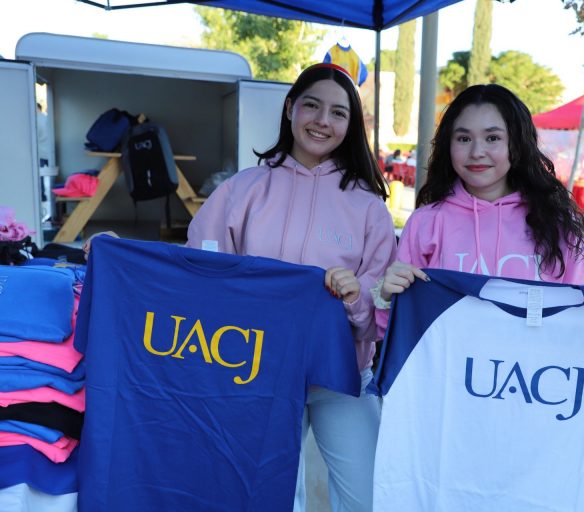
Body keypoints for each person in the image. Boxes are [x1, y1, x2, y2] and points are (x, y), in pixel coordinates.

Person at [85, 64, 397, 512]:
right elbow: (195, 274)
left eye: (337, 113)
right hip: (254, 377)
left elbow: (378, 318)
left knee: (370, 497)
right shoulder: (243, 190)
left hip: (341, 378)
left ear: (351, 125)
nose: (322, 121)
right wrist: (124, 256)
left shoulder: (369, 209)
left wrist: (356, 297)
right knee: (263, 497)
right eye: (311, 105)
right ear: (290, 108)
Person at [372, 84, 584, 320]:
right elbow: (401, 329)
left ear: (517, 143)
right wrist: (387, 298)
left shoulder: (559, 224)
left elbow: (583, 320)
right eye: (464, 138)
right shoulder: (425, 222)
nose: (477, 151)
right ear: (448, 145)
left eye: (492, 138)